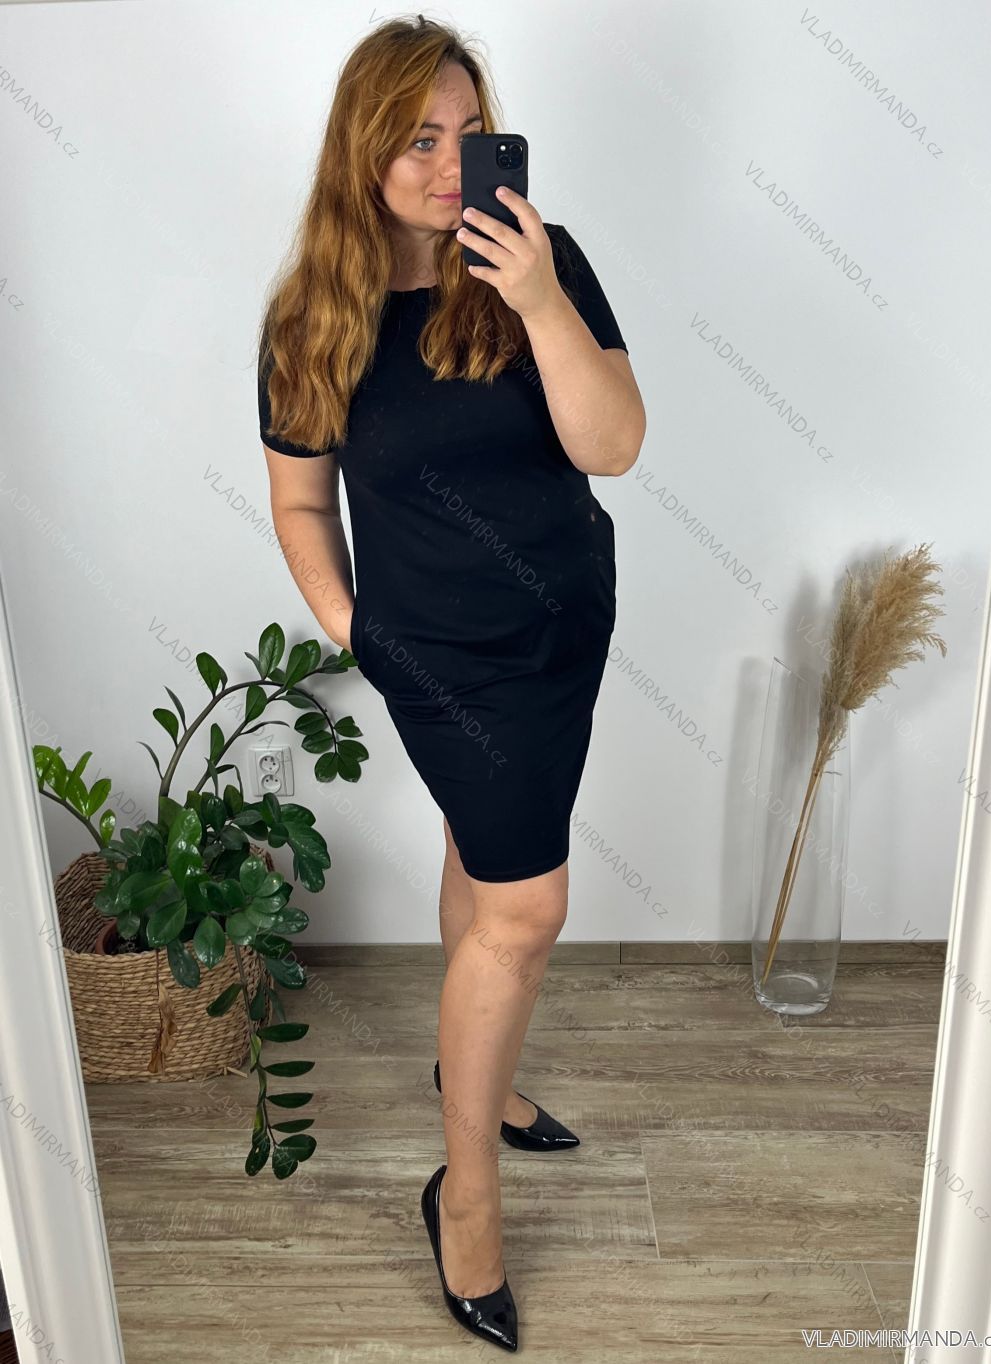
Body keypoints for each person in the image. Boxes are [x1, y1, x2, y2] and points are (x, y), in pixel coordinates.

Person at [257, 14, 645, 1352]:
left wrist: (537, 298)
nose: (448, 163)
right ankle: (465, 1191)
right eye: (417, 139)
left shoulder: (543, 260)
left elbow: (614, 444)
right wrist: (355, 629)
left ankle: (469, 1069)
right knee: (527, 908)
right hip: (438, 662)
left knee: (483, 871)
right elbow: (300, 503)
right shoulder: (315, 318)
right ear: (361, 151)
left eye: (471, 134)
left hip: (564, 627)